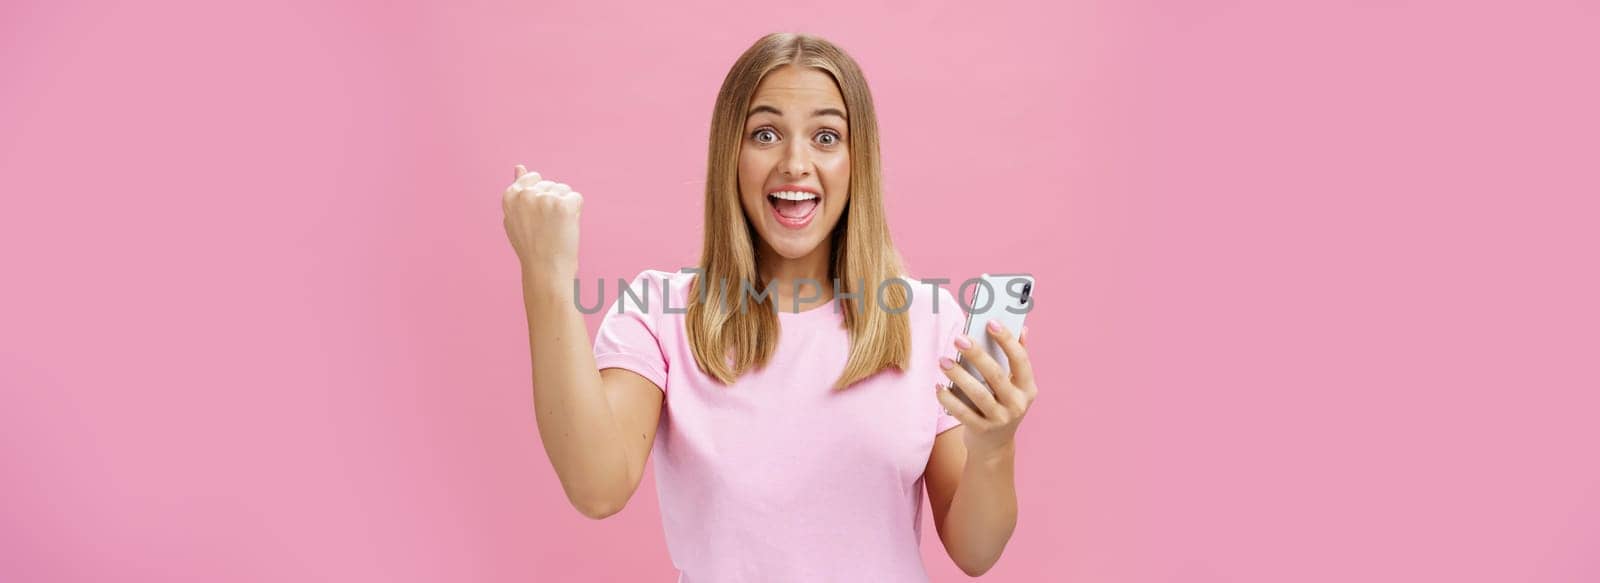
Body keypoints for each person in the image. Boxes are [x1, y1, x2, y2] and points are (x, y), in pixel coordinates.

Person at [501, 32, 1040, 582]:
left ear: (859, 162)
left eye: (827, 136)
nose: (795, 163)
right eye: (765, 134)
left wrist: (994, 448)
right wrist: (547, 276)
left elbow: (976, 552)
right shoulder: (658, 312)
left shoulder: (927, 321)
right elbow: (597, 487)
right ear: (730, 153)